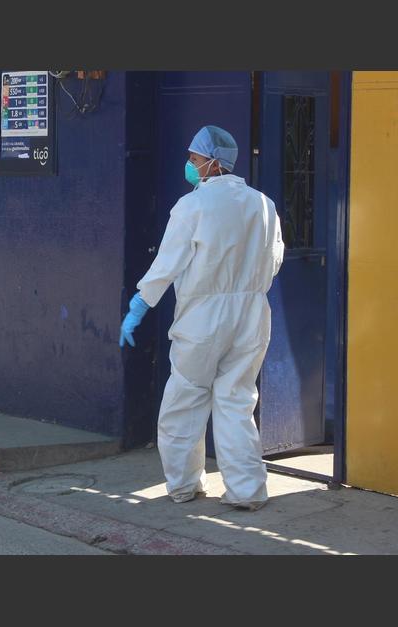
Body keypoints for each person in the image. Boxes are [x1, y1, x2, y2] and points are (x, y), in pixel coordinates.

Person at [120, 125, 285, 511]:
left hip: (203, 318)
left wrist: (140, 305)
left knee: (185, 400)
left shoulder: (192, 206)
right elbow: (275, 259)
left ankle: (183, 485)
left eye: (194, 159)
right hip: (252, 315)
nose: (190, 166)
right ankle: (247, 490)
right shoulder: (264, 205)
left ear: (213, 163)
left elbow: (168, 262)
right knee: (237, 402)